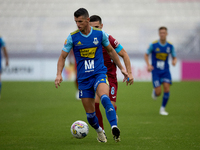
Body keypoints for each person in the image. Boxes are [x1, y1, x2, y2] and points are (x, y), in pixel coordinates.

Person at [55, 8, 130, 143]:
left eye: (80, 21)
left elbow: (112, 51)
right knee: (90, 115)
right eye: (76, 21)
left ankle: (114, 127)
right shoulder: (72, 37)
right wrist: (58, 74)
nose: (78, 24)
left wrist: (122, 68)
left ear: (87, 20)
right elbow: (62, 57)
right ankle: (100, 132)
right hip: (84, 79)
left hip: (99, 74)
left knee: (104, 97)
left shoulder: (100, 35)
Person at [89, 15, 133, 134]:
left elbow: (124, 54)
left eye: (97, 27)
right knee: (96, 104)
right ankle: (102, 133)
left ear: (101, 26)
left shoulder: (108, 39)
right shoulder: (87, 40)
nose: (95, 30)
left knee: (111, 106)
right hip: (97, 76)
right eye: (92, 27)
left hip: (110, 77)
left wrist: (129, 73)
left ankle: (113, 114)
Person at [144, 26, 177, 116]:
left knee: (167, 88)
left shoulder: (170, 46)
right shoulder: (153, 45)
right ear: (159, 34)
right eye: (161, 33)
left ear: (166, 34)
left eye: (164, 33)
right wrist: (148, 65)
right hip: (156, 71)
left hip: (165, 71)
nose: (162, 34)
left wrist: (174, 61)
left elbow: (174, 56)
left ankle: (162, 109)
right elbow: (146, 55)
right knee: (158, 92)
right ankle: (155, 92)